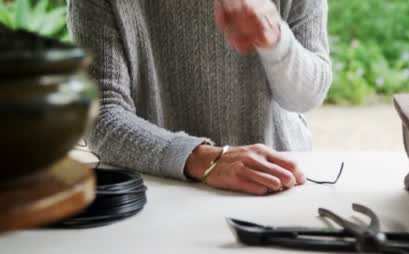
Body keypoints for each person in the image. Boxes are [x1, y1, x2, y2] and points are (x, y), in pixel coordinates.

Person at [67, 0, 332, 195]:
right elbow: (101, 115)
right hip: (160, 189)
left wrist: (275, 38)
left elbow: (307, 97)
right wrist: (205, 160)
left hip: (279, 184)